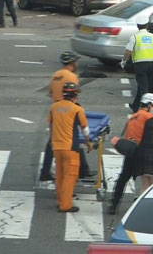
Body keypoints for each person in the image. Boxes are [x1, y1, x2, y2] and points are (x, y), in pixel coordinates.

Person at [40, 51, 96, 181]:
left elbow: (50, 92)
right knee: (73, 140)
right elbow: (74, 93)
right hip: (68, 111)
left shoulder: (55, 75)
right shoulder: (71, 77)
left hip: (56, 110)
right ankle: (82, 170)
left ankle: (46, 171)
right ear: (72, 63)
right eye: (76, 61)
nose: (77, 64)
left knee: (53, 142)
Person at [108, 93, 153, 215]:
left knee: (123, 178)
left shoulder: (132, 117)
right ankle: (140, 207)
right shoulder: (149, 118)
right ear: (149, 105)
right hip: (143, 151)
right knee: (145, 180)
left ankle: (114, 204)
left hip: (130, 151)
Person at [49, 82, 91, 213]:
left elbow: (51, 125)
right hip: (70, 148)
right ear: (76, 95)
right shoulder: (77, 109)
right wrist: (88, 142)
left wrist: (52, 141)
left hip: (56, 146)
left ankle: (60, 200)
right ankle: (65, 205)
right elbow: (85, 129)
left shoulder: (54, 107)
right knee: (70, 176)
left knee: (60, 176)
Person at [121, 14, 153, 113]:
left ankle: (147, 110)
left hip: (140, 66)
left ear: (138, 26)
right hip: (151, 65)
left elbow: (128, 51)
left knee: (144, 90)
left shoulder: (135, 37)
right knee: (142, 86)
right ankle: (135, 106)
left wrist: (124, 61)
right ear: (147, 26)